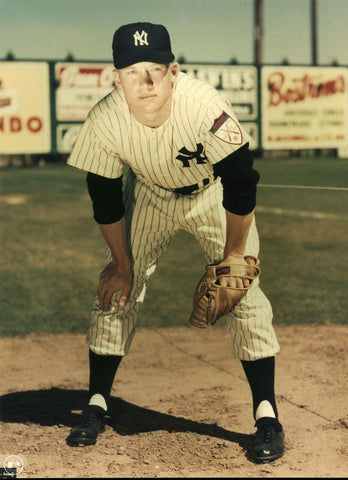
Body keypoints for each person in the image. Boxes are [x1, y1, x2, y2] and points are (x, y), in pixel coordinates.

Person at [66, 22, 284, 463]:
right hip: (148, 194)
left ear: (174, 71)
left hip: (212, 194)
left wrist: (234, 257)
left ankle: (267, 415)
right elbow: (105, 199)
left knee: (244, 293)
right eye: (131, 71)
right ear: (116, 77)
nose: (144, 82)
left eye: (155, 69)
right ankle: (96, 404)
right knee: (116, 288)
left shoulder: (205, 107)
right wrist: (120, 261)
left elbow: (242, 182)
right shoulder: (105, 119)